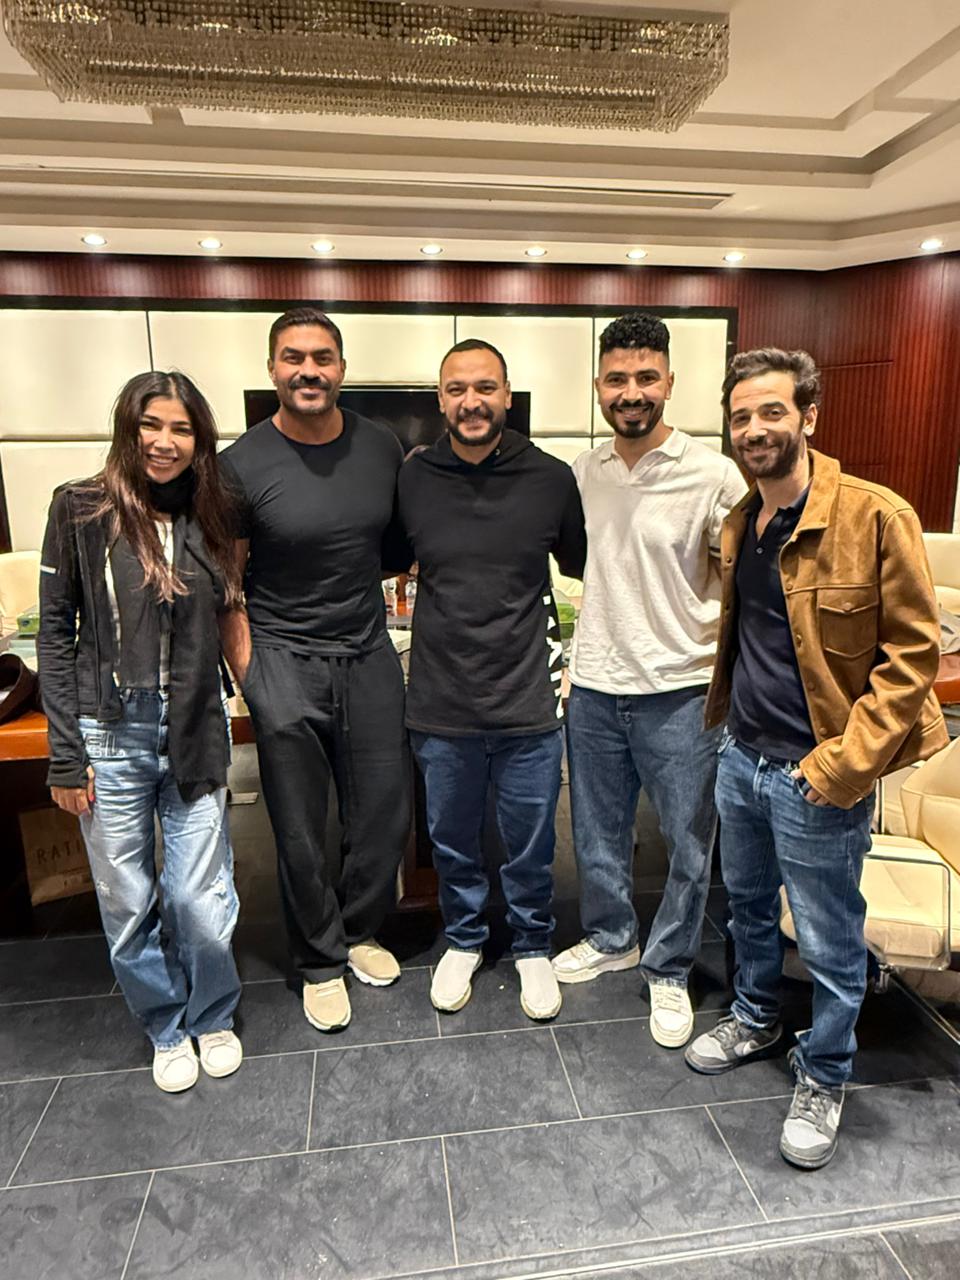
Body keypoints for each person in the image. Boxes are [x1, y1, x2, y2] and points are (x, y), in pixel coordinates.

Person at [685, 347, 947, 1169]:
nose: (754, 428)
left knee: (831, 938)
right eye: (740, 416)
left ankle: (826, 1073)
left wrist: (842, 766)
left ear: (808, 415)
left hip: (819, 774)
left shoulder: (876, 516)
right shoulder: (744, 519)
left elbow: (913, 657)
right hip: (742, 756)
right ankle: (757, 1016)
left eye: (771, 411)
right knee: (747, 908)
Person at [38, 371, 243, 1093]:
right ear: (127, 427)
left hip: (194, 725)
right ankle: (165, 1025)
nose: (164, 441)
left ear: (199, 439)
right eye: (151, 425)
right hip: (109, 731)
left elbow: (230, 613)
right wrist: (66, 757)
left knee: (198, 900)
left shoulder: (210, 512)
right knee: (127, 902)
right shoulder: (80, 507)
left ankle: (213, 1012)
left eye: (181, 428)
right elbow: (56, 635)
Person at [553, 313, 746, 1049]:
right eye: (616, 379)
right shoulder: (582, 473)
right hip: (596, 686)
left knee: (688, 844)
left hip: (682, 690)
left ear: (670, 382)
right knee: (597, 833)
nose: (630, 391)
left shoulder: (714, 474)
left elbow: (741, 580)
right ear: (597, 386)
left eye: (645, 377)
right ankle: (612, 937)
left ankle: (668, 966)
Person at [219, 308, 409, 1034]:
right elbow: (228, 586)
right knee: (299, 828)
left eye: (322, 357)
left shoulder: (380, 445)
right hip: (283, 659)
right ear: (272, 369)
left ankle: (358, 930)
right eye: (294, 357)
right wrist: (253, 679)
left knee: (385, 811)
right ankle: (320, 960)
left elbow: (391, 551)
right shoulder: (240, 464)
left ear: (341, 368)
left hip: (367, 653)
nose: (309, 370)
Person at [399, 339, 586, 1019]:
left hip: (527, 695)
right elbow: (387, 557)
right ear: (440, 399)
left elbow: (586, 565)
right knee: (451, 839)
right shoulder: (413, 479)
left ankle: (533, 942)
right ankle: (465, 937)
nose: (471, 402)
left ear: (507, 395)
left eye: (485, 388)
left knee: (530, 839)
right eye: (457, 389)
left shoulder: (551, 478)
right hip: (440, 698)